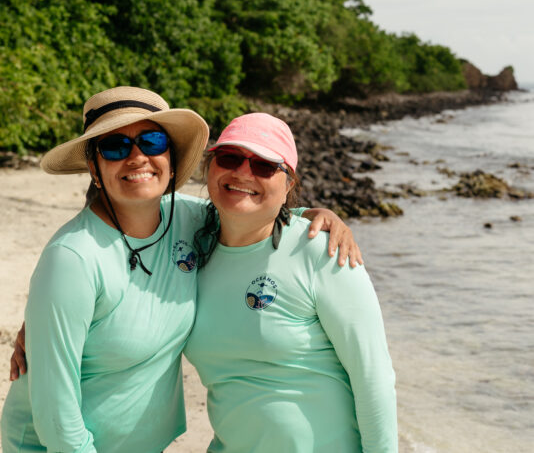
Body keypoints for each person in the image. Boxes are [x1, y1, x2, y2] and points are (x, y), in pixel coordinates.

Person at [1, 87, 361, 453]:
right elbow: (55, 420)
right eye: (114, 146)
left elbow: (250, 208)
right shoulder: (73, 259)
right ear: (94, 167)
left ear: (171, 160)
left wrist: (314, 217)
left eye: (152, 141)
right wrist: (44, 319)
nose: (137, 157)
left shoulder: (186, 219)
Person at [184, 113, 398, 452]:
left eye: (264, 166)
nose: (242, 172)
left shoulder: (323, 252)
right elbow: (136, 197)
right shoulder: (188, 238)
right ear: (209, 167)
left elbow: (373, 378)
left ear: (289, 185)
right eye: (229, 158)